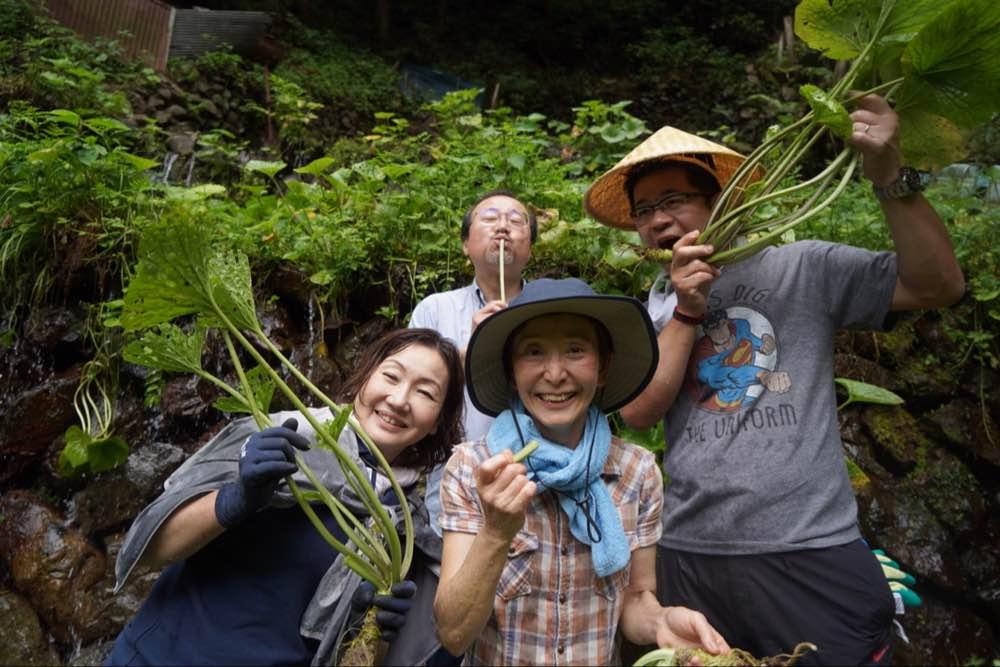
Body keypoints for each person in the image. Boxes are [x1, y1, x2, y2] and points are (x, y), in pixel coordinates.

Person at [583, 94, 965, 664]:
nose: (657, 220)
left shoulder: (802, 267)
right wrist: (687, 309)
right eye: (643, 210)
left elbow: (938, 285)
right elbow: (638, 414)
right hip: (691, 552)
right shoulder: (657, 304)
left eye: (673, 201)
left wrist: (889, 176)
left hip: (808, 551)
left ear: (722, 199)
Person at [107, 328, 465, 666]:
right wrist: (237, 498)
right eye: (390, 376)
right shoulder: (278, 437)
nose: (399, 399)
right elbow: (152, 551)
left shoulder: (402, 528)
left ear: (437, 421)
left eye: (425, 393)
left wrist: (375, 629)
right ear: (365, 378)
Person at [433, 277, 731, 665]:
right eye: (533, 352)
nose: (555, 374)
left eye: (576, 350)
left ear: (603, 368)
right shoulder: (475, 469)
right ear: (511, 372)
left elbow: (636, 599)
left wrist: (661, 623)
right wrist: (495, 532)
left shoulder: (637, 472)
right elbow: (454, 634)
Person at [409, 189, 538, 538]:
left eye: (516, 220)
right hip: (455, 477)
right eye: (490, 218)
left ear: (530, 247)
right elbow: (414, 390)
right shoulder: (434, 309)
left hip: (536, 480)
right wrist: (472, 350)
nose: (503, 228)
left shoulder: (548, 311)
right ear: (466, 245)